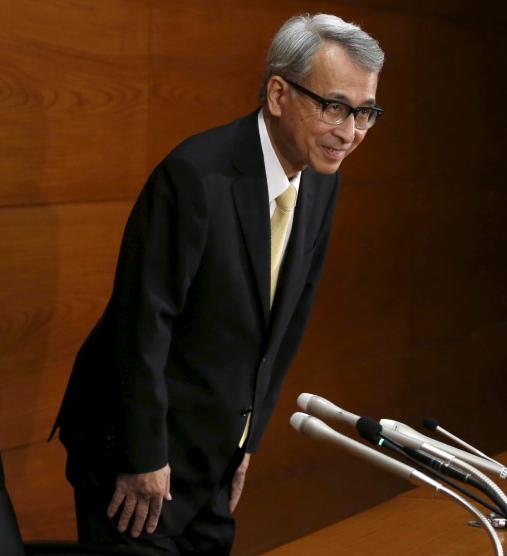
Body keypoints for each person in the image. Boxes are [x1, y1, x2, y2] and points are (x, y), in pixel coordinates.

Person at [50, 12, 385, 555]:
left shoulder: (323, 182)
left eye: (364, 112)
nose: (349, 132)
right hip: (134, 452)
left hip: (212, 452)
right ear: (278, 94)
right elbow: (143, 323)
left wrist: (246, 440)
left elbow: (285, 323)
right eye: (334, 107)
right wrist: (144, 457)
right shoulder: (196, 175)